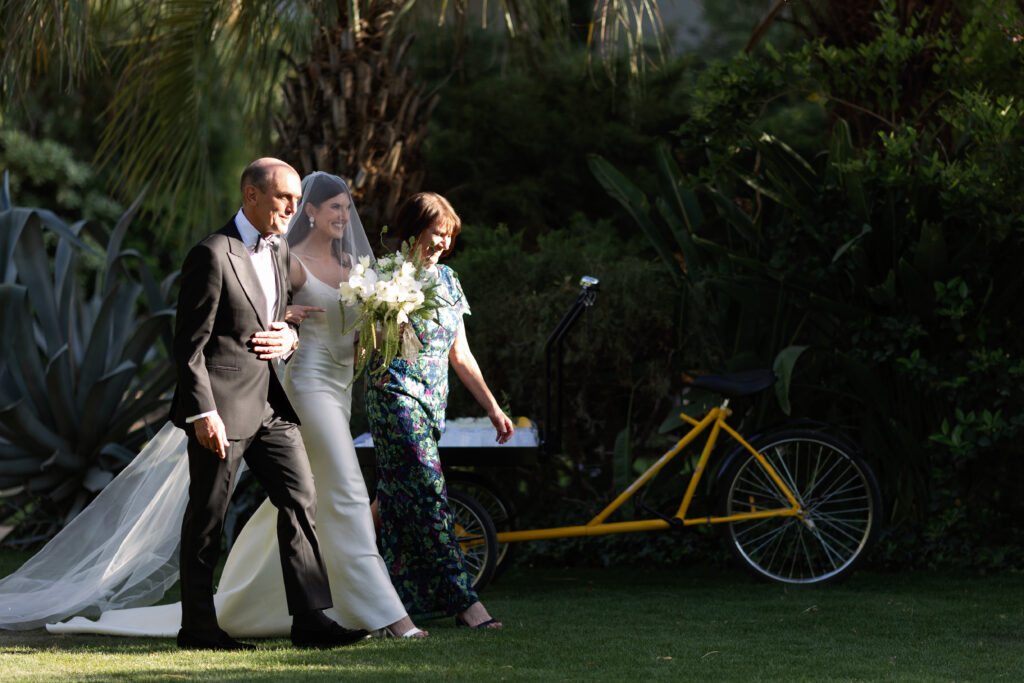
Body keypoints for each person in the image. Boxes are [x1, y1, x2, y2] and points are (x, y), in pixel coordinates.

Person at [25, 173, 425, 640]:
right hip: (222, 408)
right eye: (284, 198)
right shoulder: (211, 253)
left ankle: (311, 620)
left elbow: (278, 321)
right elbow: (188, 346)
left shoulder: (277, 250)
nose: (291, 209)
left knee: (301, 498)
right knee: (207, 517)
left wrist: (290, 335)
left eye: (297, 199)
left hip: (272, 408)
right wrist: (202, 413)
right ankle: (197, 625)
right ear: (251, 195)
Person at [365, 192, 514, 629]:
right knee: (429, 494)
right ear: (413, 231)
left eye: (449, 237)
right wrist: (386, 316)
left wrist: (493, 408)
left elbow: (461, 355)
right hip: (394, 397)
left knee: (392, 500)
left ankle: (346, 574)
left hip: (432, 405)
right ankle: (465, 603)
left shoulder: (449, 280)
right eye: (436, 234)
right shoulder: (383, 276)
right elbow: (366, 347)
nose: (443, 244)